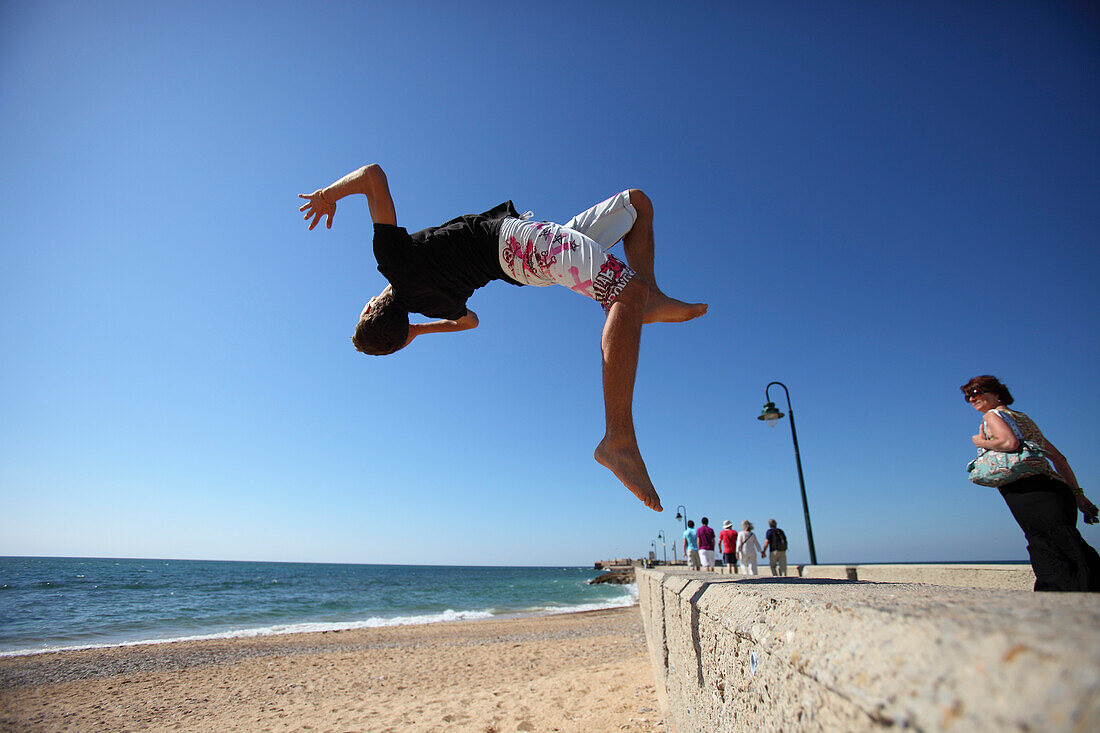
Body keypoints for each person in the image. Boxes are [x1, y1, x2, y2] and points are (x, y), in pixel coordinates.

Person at [299, 165, 707, 513]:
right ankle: (617, 437)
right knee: (625, 292)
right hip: (519, 246)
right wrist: (325, 195)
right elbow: (373, 176)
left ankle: (648, 298)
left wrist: (419, 331)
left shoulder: (430, 305)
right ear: (370, 310)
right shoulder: (393, 263)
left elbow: (470, 321)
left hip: (528, 256)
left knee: (636, 204)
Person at [962, 376, 1100, 592]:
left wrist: (981, 442)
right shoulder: (1022, 419)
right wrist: (1078, 494)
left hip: (1028, 492)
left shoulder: (992, 415)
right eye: (968, 396)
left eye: (977, 392)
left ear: (996, 393)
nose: (972, 398)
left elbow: (1009, 443)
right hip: (1056, 490)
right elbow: (1060, 459)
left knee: (1049, 551)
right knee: (1068, 547)